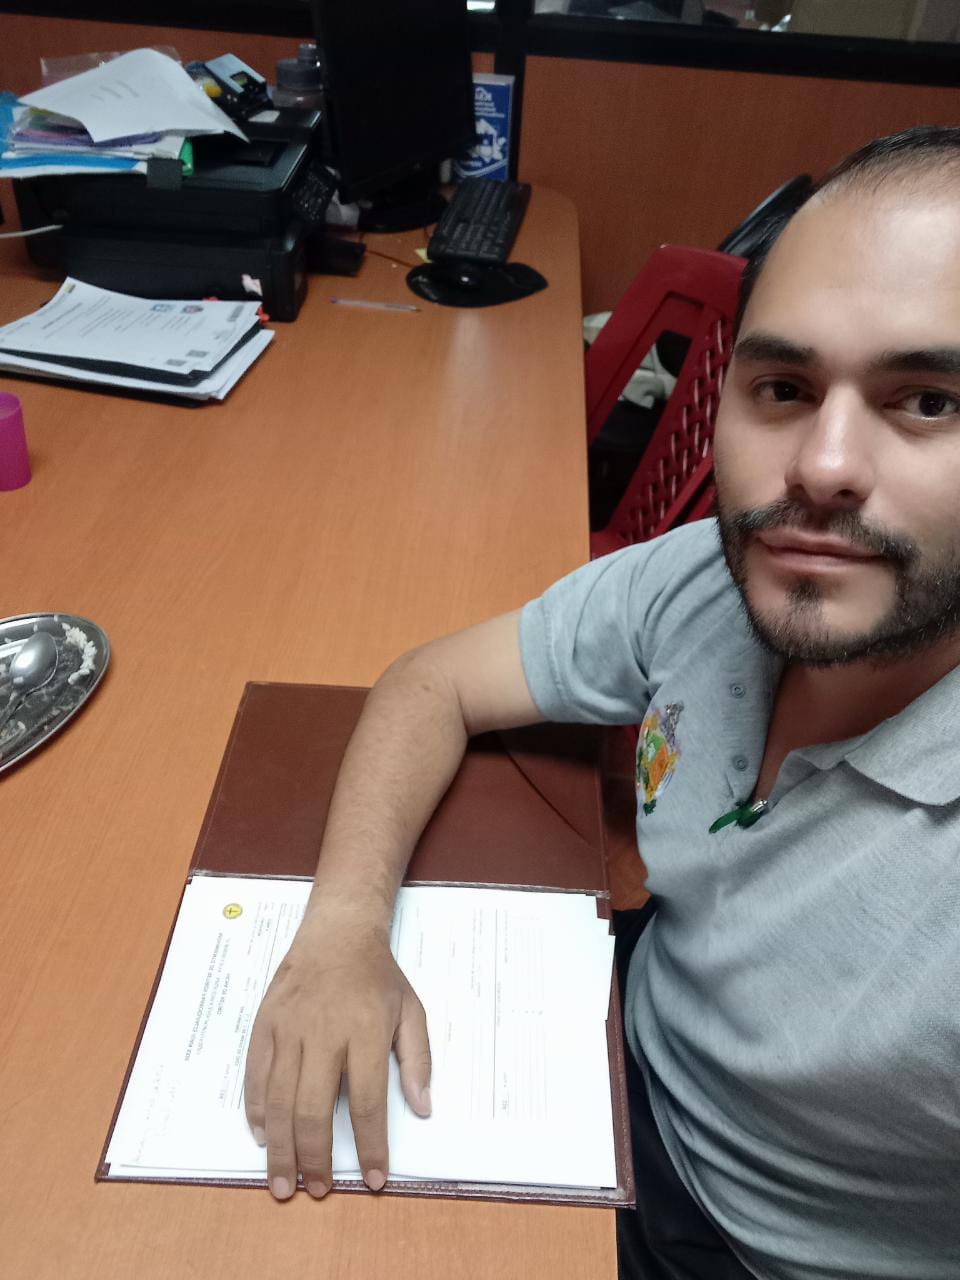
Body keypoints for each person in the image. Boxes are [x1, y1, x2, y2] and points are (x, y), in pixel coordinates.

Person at [243, 126, 960, 1278]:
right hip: (619, 1047)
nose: (822, 465)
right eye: (783, 387)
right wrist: (341, 929)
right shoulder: (708, 583)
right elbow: (434, 679)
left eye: (926, 400)